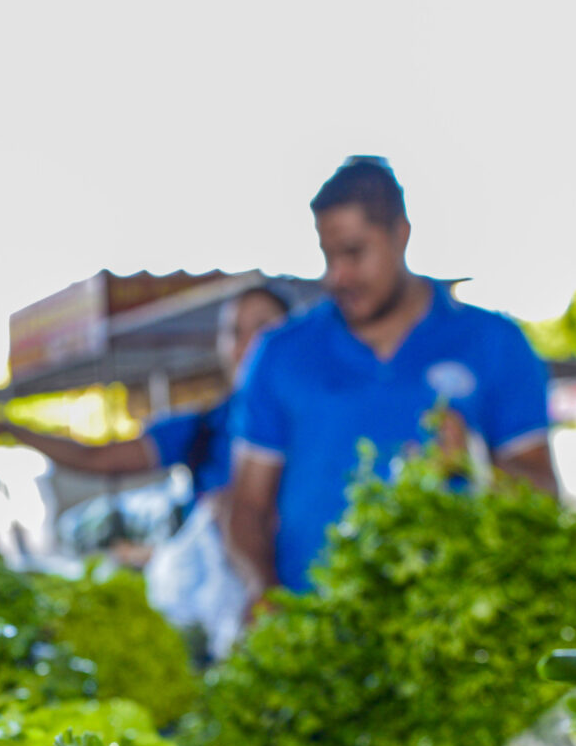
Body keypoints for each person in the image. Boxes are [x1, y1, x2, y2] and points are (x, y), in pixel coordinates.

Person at [226, 158, 555, 601]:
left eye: (354, 253)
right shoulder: (280, 354)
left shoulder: (495, 342)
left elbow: (546, 498)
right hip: (316, 620)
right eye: (327, 256)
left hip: (454, 621)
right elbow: (247, 506)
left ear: (401, 234)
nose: (337, 276)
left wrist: (475, 461)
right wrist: (262, 591)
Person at [0, 285, 289, 512]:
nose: (249, 344)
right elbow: (97, 457)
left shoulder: (318, 415)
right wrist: (8, 429)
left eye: (263, 327)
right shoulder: (203, 429)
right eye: (234, 332)